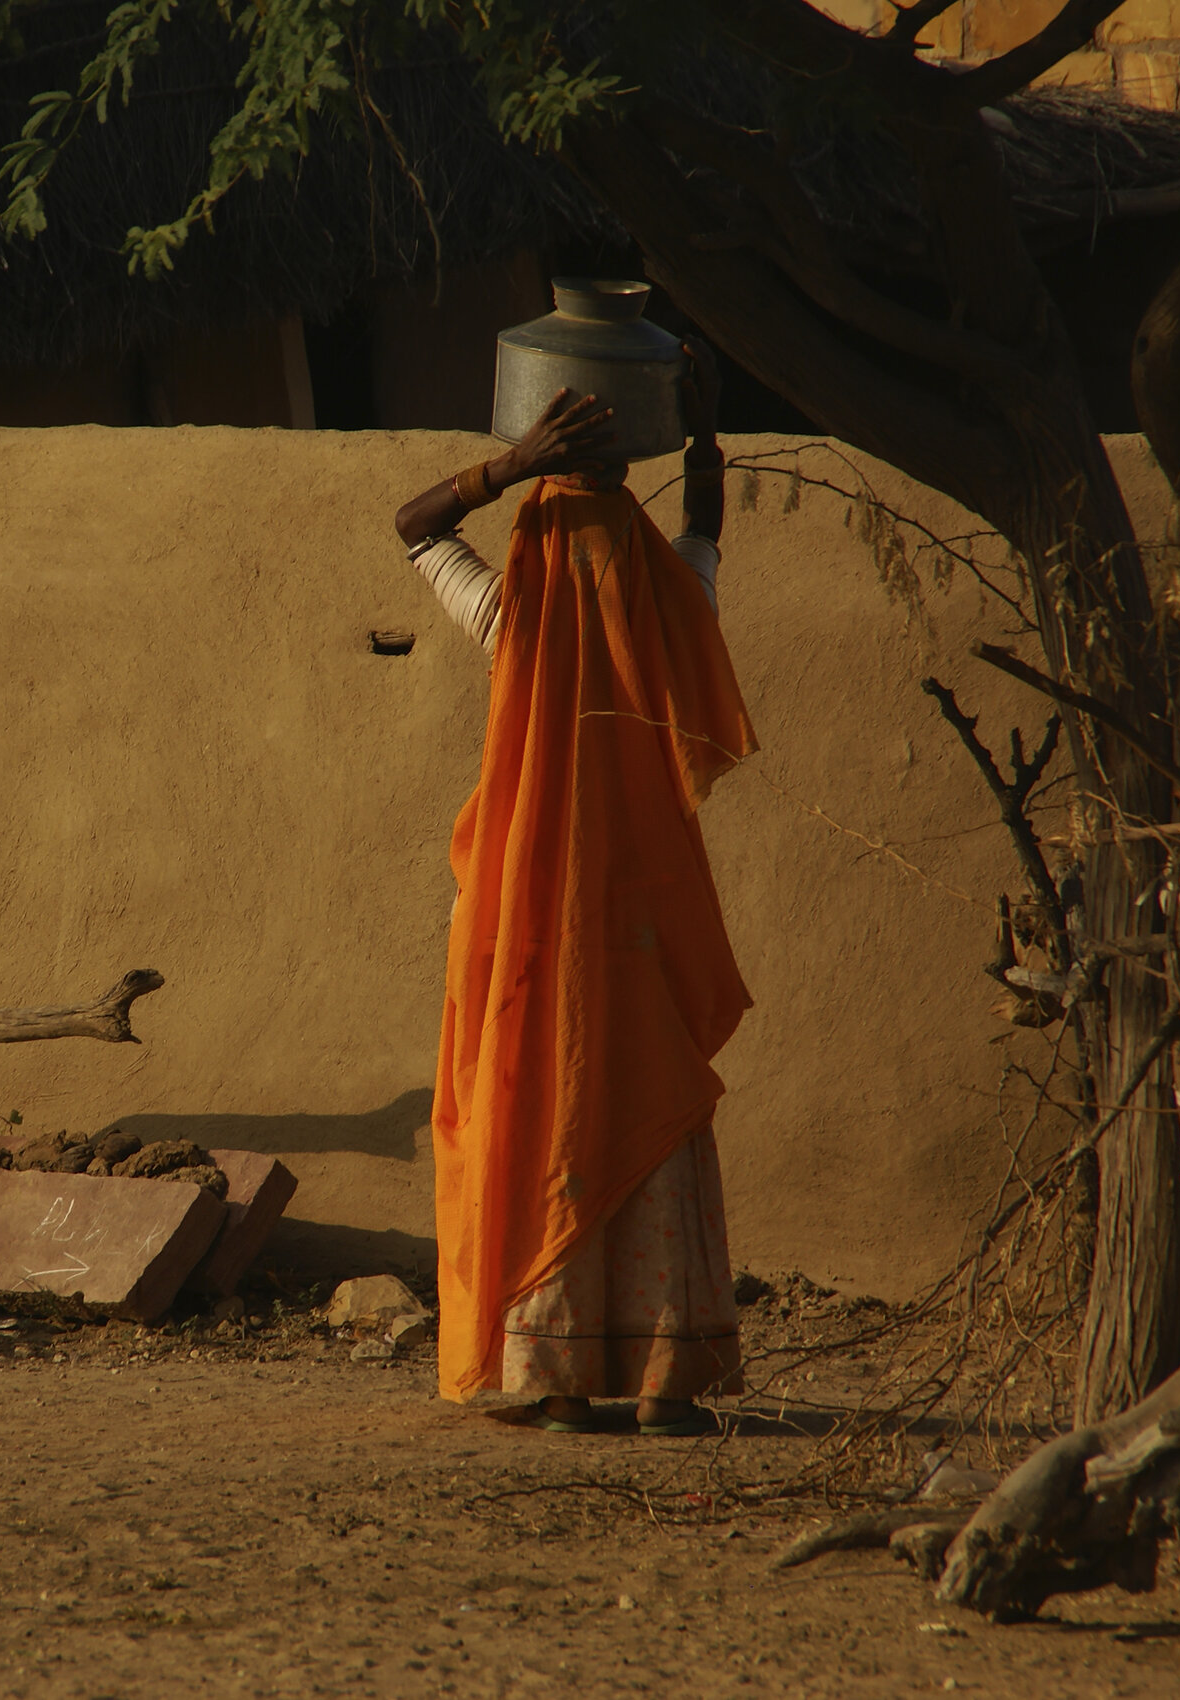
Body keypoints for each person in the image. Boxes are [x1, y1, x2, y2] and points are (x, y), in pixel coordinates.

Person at [391, 348, 756, 1436]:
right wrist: (696, 443)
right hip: (636, 927)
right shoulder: (667, 607)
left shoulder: (515, 617)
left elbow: (414, 526)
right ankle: (658, 1376)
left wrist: (511, 466)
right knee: (642, 1117)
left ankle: (550, 1375)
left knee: (536, 1106)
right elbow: (699, 536)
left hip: (524, 927)